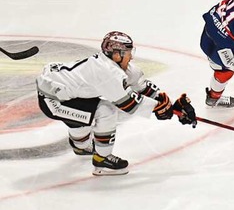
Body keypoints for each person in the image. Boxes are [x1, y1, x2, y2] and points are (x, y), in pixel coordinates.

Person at [36, 31, 197, 176]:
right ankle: (102, 160)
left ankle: (80, 145)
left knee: (88, 112)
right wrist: (161, 110)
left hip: (67, 93)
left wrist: (171, 104)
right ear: (116, 54)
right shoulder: (106, 72)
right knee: (106, 111)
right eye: (127, 52)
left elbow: (142, 86)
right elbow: (130, 104)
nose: (131, 56)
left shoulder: (115, 66)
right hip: (53, 101)